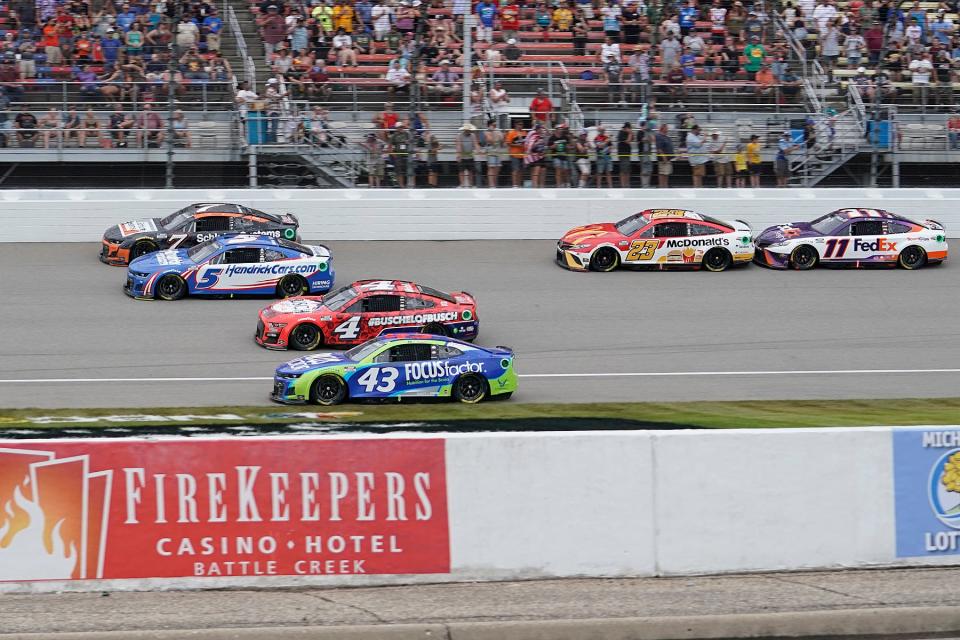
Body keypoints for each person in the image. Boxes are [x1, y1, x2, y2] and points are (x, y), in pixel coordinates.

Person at [388, 122, 413, 187]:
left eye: (402, 127)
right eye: (400, 127)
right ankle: (401, 185)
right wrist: (394, 155)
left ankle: (410, 185)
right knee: (399, 171)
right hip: (398, 155)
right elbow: (389, 147)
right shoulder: (394, 136)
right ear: (396, 128)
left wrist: (408, 142)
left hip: (407, 155)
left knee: (409, 170)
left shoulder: (407, 134)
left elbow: (412, 141)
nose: (401, 128)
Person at [455, 123, 478, 188]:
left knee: (470, 171)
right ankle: (462, 184)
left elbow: (475, 143)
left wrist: (479, 150)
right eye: (467, 130)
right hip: (462, 156)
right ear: (464, 130)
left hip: (470, 156)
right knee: (461, 171)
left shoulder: (473, 135)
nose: (469, 131)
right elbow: (458, 145)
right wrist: (458, 155)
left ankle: (471, 185)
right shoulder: (459, 136)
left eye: (469, 130)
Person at [524, 123, 547, 187]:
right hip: (534, 156)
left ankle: (541, 186)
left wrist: (544, 151)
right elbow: (530, 147)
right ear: (537, 129)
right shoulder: (534, 136)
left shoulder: (542, 136)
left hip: (541, 156)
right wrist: (537, 143)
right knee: (536, 170)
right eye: (540, 128)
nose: (541, 129)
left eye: (542, 128)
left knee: (543, 170)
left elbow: (544, 146)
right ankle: (535, 186)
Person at [505, 121, 526, 187]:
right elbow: (508, 143)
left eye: (522, 124)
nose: (521, 126)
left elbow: (527, 142)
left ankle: (519, 184)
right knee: (515, 170)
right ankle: (515, 185)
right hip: (514, 154)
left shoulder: (524, 132)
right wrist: (516, 145)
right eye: (519, 124)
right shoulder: (511, 132)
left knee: (521, 171)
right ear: (515, 125)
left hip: (523, 154)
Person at [483, 121, 504, 188]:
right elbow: (490, 140)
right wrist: (493, 133)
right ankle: (491, 185)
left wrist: (501, 136)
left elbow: (502, 141)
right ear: (489, 125)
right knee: (491, 168)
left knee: (497, 168)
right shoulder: (486, 132)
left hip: (498, 152)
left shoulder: (498, 131)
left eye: (495, 124)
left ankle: (495, 184)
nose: (495, 126)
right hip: (490, 152)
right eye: (493, 125)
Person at [654, 123, 674, 187]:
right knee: (662, 173)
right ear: (663, 128)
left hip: (668, 158)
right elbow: (659, 148)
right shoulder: (659, 136)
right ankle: (662, 187)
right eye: (667, 128)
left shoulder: (666, 136)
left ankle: (665, 186)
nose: (668, 129)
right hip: (663, 159)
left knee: (666, 173)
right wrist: (664, 157)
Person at [616, 122, 633, 187]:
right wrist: (630, 133)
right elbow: (628, 141)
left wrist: (630, 134)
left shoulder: (628, 133)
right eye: (629, 128)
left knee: (627, 170)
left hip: (627, 154)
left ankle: (627, 184)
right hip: (622, 154)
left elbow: (632, 140)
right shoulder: (621, 133)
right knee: (623, 170)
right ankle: (623, 185)